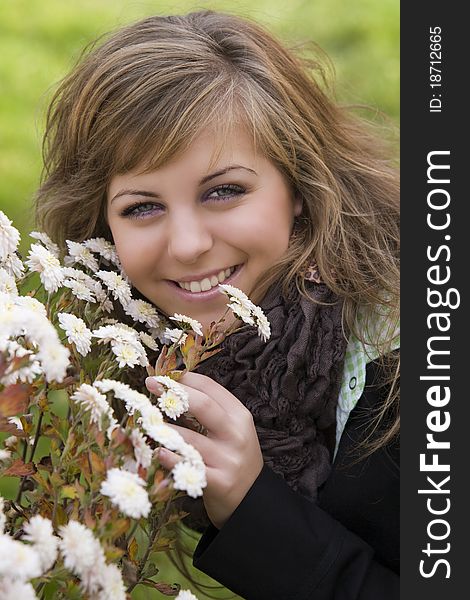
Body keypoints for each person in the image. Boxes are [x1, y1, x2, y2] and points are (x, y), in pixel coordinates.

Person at [35, 10, 400, 599]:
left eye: (224, 191)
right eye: (142, 207)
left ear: (301, 189)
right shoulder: (144, 360)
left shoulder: (415, 362)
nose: (187, 245)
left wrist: (258, 509)